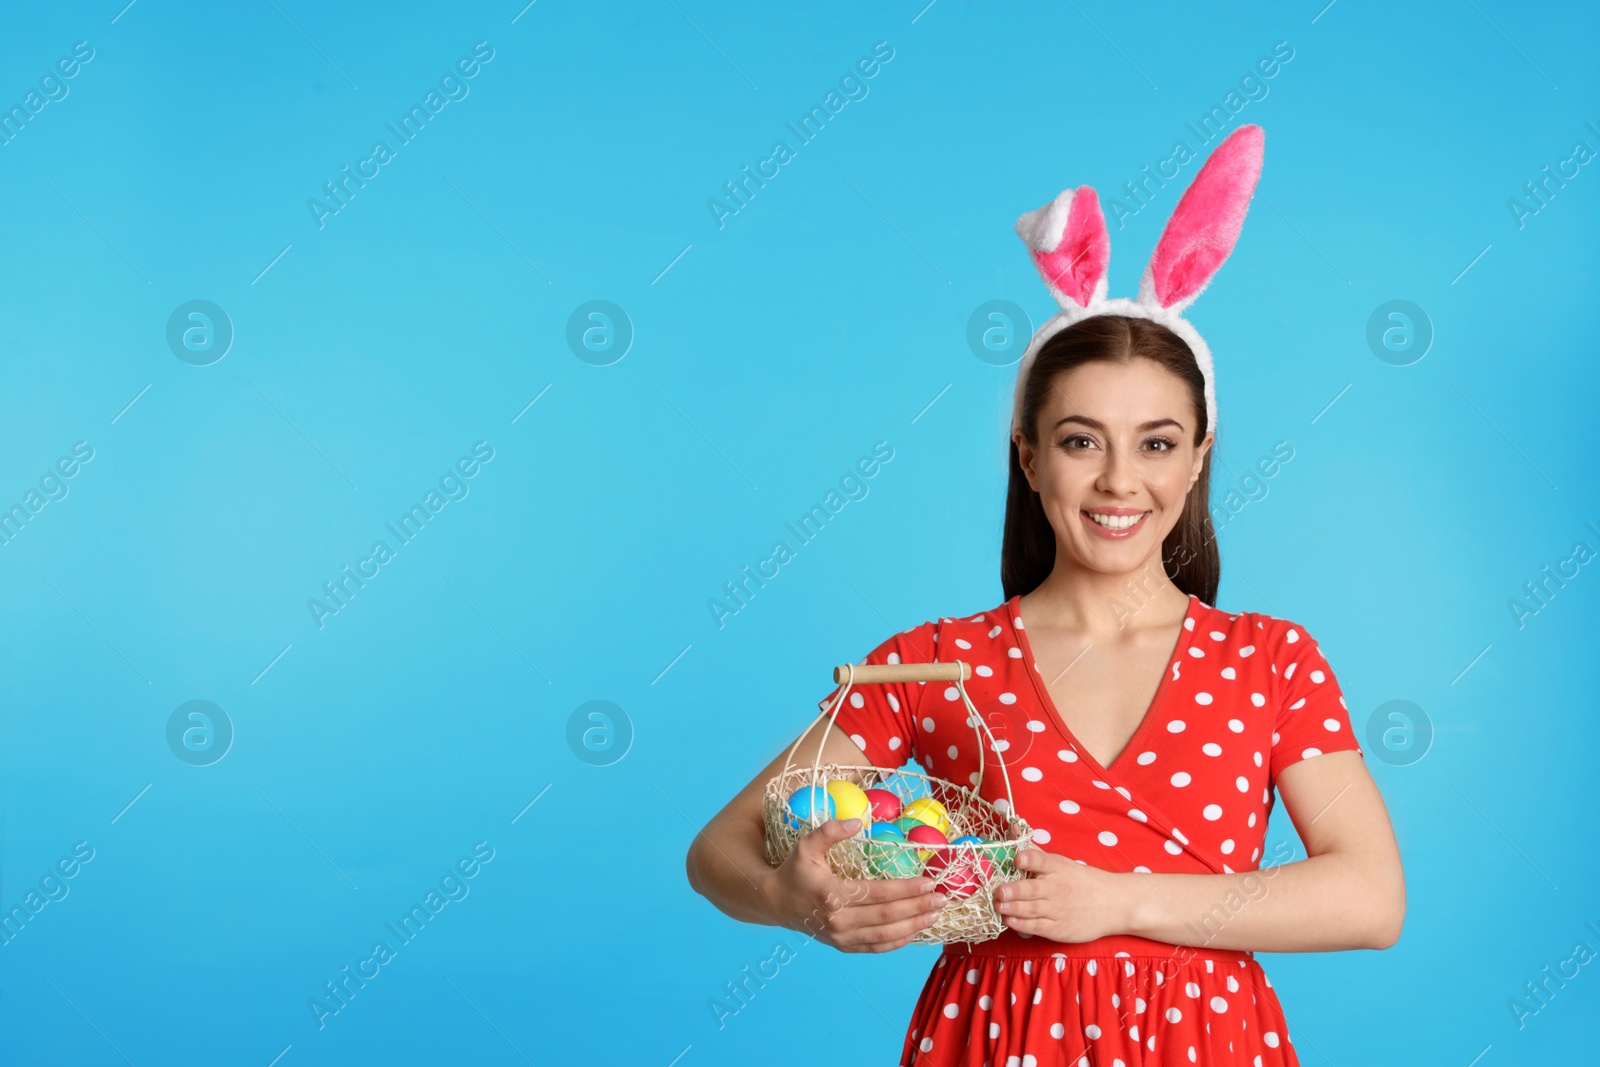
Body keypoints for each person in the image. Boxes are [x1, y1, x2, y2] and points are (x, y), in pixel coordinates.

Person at [685, 125, 1404, 1066]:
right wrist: (795, 903)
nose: (1118, 480)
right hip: (995, 1038)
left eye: (1155, 442)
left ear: (1197, 461)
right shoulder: (933, 664)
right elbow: (720, 850)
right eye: (1079, 440)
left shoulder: (1269, 661)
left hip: (1205, 1042)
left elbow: (1370, 895)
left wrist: (1120, 898)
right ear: (1028, 457)